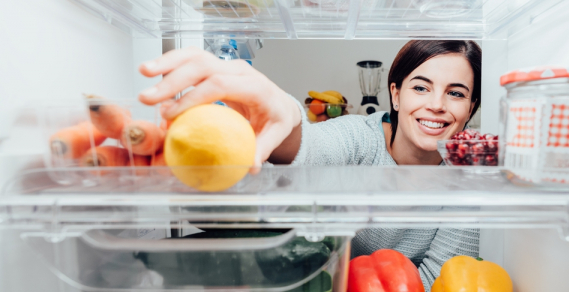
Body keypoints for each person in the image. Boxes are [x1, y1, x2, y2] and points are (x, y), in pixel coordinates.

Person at [138, 40, 481, 290]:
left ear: (471, 107)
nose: (436, 105)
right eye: (421, 87)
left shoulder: (469, 175)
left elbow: (443, 279)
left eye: (456, 93)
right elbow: (312, 148)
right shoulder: (360, 136)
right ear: (395, 93)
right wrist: (287, 119)